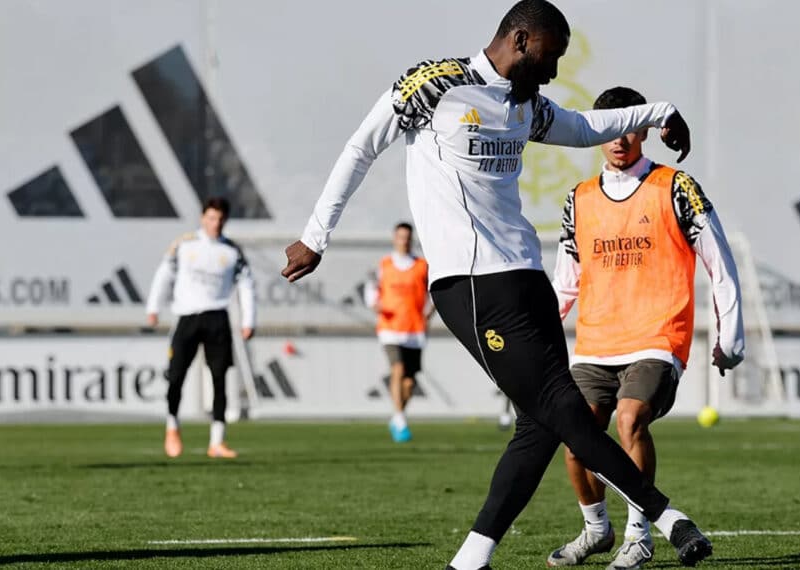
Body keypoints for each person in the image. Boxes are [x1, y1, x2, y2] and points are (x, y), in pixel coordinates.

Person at [280, 2, 713, 567]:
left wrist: (657, 112)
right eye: (551, 57)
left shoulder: (526, 106)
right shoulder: (435, 85)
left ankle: (471, 560)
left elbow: (584, 128)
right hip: (472, 284)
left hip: (526, 278)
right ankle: (667, 517)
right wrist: (317, 235)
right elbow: (361, 147)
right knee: (564, 407)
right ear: (522, 39)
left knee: (539, 424)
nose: (554, 72)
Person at [547, 87, 745, 570]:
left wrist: (730, 337)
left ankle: (639, 535)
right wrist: (535, 340)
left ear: (645, 130)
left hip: (657, 339)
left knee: (629, 419)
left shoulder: (676, 187)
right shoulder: (579, 199)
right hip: (595, 343)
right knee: (576, 439)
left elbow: (719, 261)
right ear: (598, 132)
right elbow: (564, 282)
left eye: (630, 126)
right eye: (611, 128)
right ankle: (596, 529)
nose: (621, 138)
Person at [146, 197, 255, 459]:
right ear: (202, 218)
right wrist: (153, 307)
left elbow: (246, 285)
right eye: (210, 218)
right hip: (187, 317)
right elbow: (164, 274)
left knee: (219, 379)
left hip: (217, 317)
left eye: (219, 219)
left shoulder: (232, 252)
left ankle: (217, 441)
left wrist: (249, 319)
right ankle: (172, 426)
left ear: (225, 221)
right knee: (176, 377)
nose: (215, 224)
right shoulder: (184, 245)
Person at [363, 222, 432, 442]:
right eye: (400, 236)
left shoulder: (422, 266)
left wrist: (429, 315)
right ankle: (400, 418)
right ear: (395, 238)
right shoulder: (385, 265)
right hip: (390, 328)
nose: (404, 240)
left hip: (414, 330)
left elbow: (434, 293)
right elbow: (371, 289)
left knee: (409, 383)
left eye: (407, 237)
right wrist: (375, 304)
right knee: (398, 368)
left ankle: (397, 415)